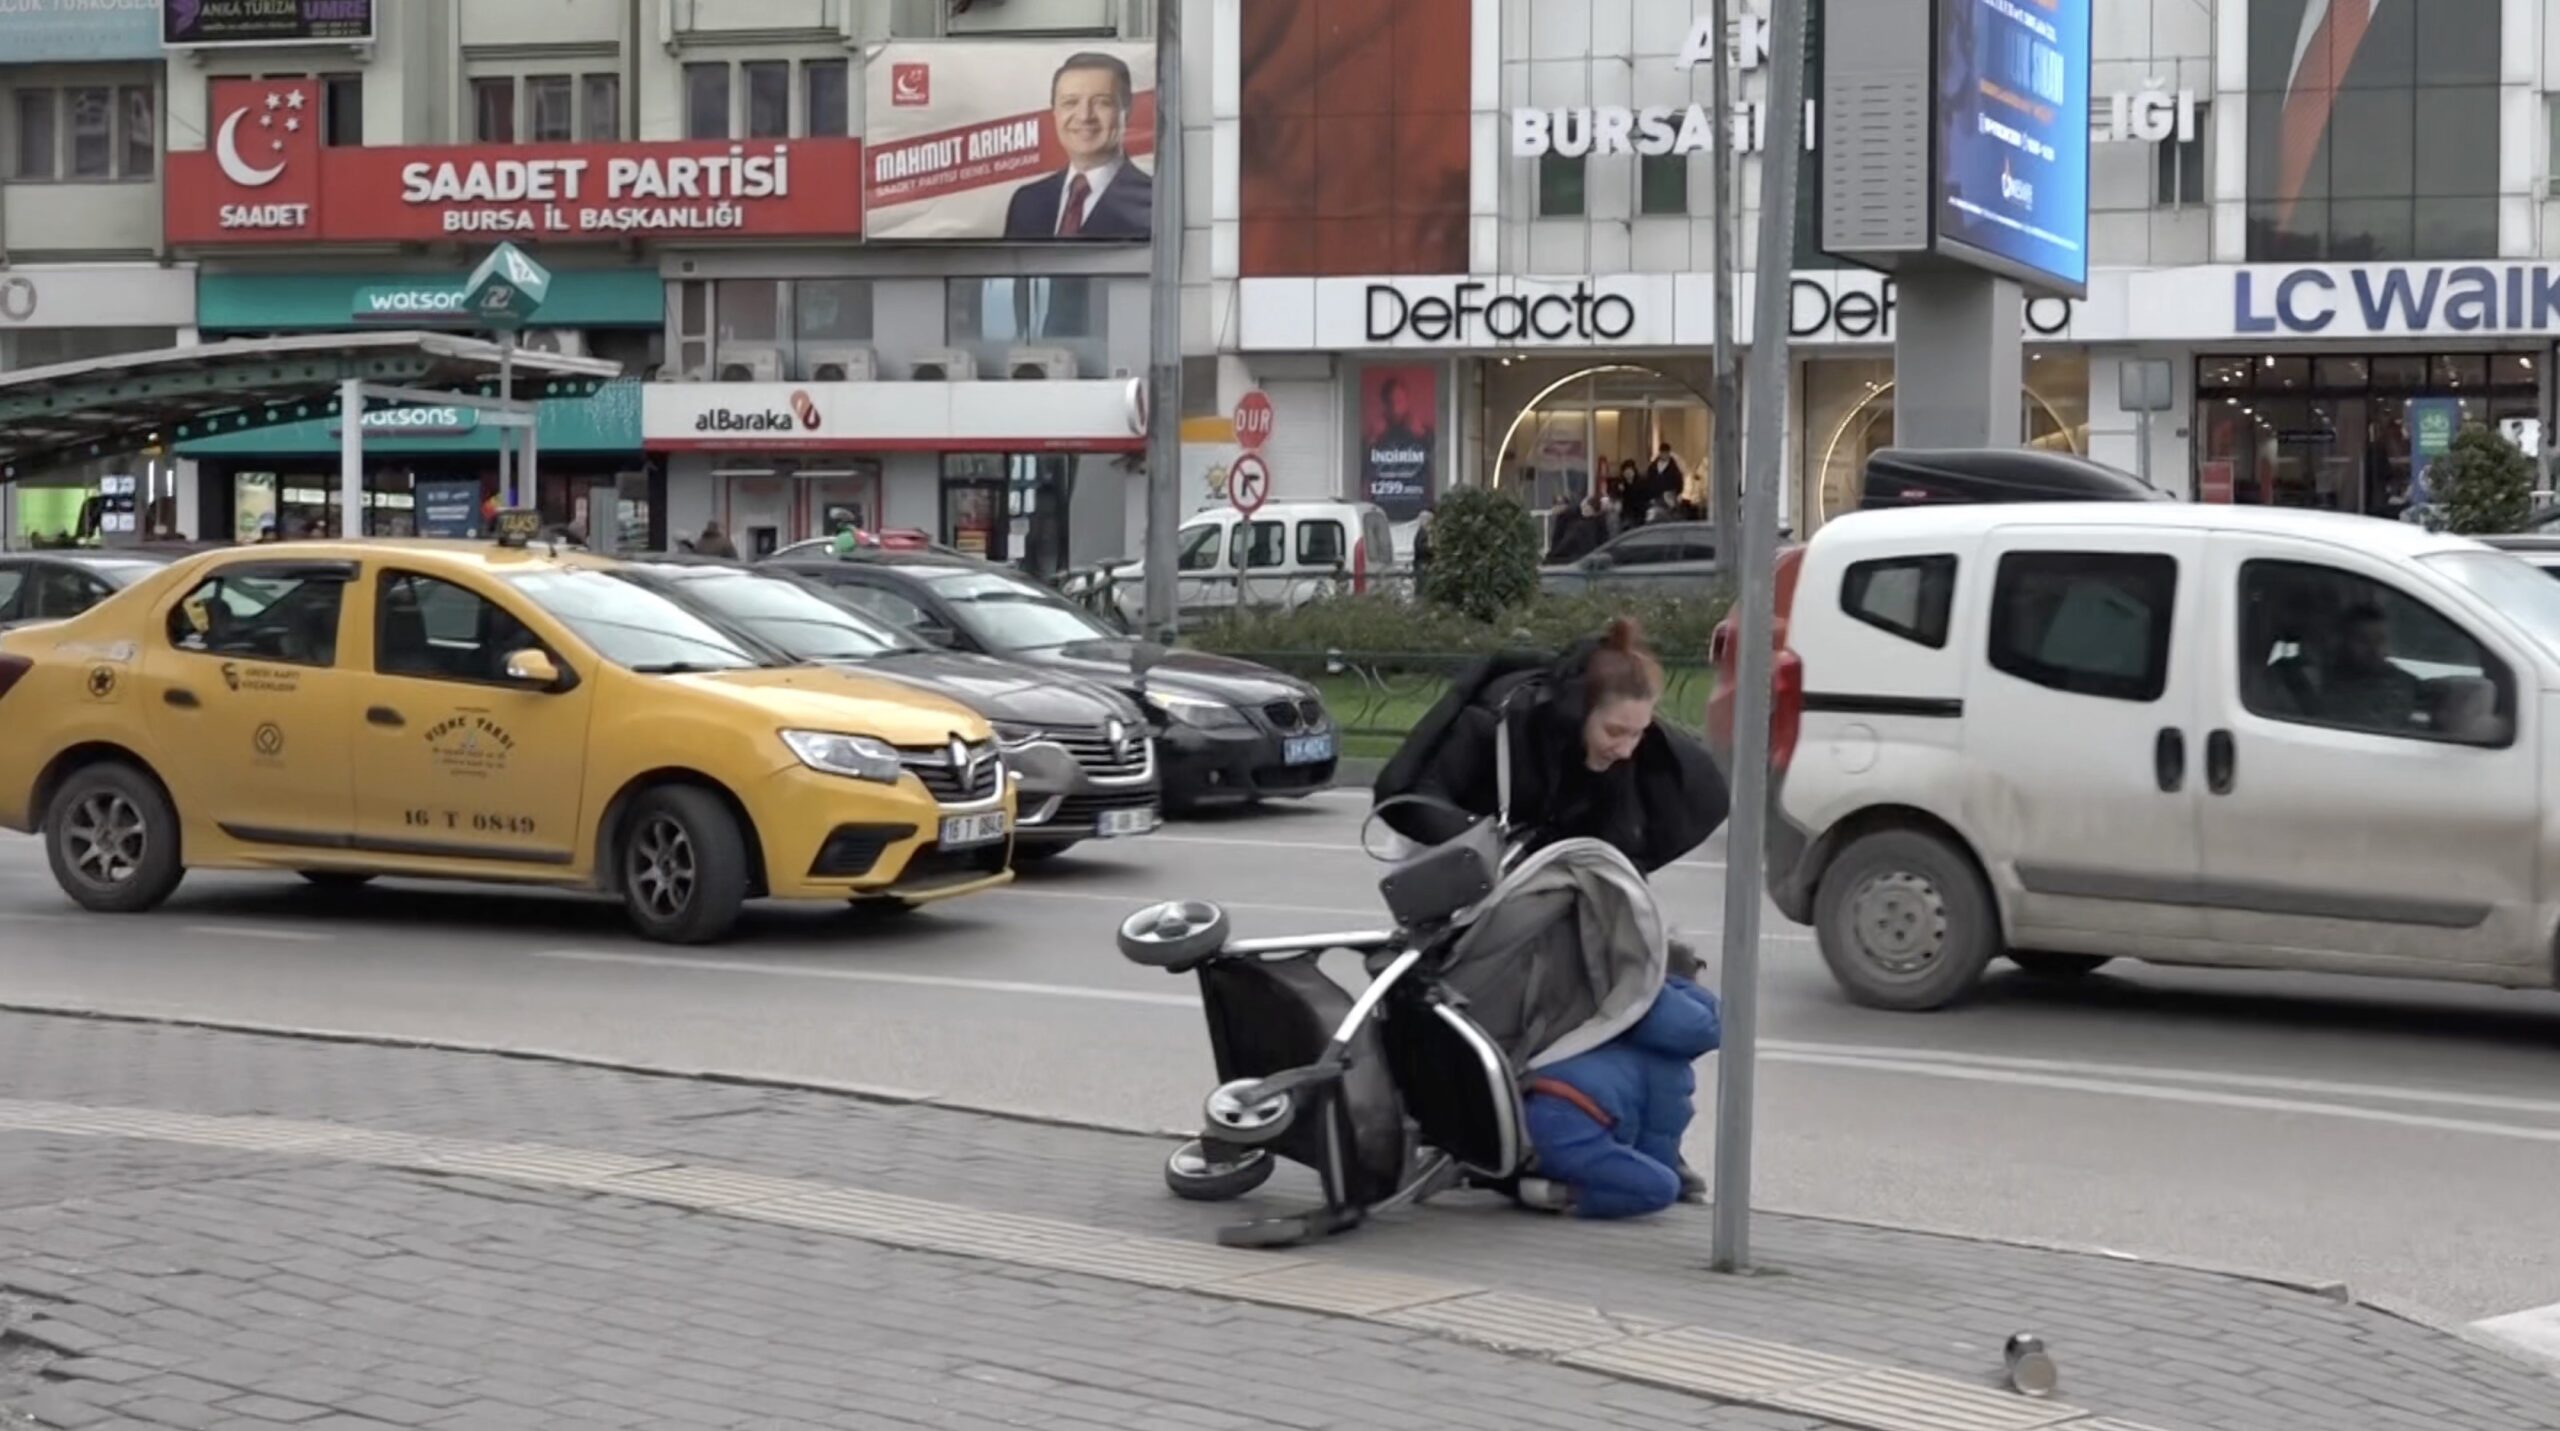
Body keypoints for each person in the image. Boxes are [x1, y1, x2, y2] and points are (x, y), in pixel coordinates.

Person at [1518, 975, 1722, 1218]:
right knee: (1661, 1188)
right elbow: (1658, 1145)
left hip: (1527, 1105)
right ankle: (1549, 1193)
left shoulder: (1607, 1027)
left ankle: (1524, 1173)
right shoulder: (1670, 1072)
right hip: (1573, 1130)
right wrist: (1677, 1185)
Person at [1003, 52, 1154, 240]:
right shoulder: (1026, 202)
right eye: (1070, 103)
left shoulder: (1153, 200)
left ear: (1127, 109)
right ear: (1054, 112)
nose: (1084, 116)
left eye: (1102, 103)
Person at [1545, 496, 1601, 565]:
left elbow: (1567, 542)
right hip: (1583, 559)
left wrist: (1553, 554)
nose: (1555, 507)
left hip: (1575, 560)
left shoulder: (1579, 525)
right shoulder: (1594, 523)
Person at [1613, 458, 1648, 532]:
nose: (1628, 474)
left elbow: (1643, 499)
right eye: (1625, 472)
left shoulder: (1641, 483)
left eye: (1630, 471)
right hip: (1626, 515)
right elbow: (1617, 497)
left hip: (1639, 514)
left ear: (1634, 471)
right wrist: (1620, 491)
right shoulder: (1620, 484)